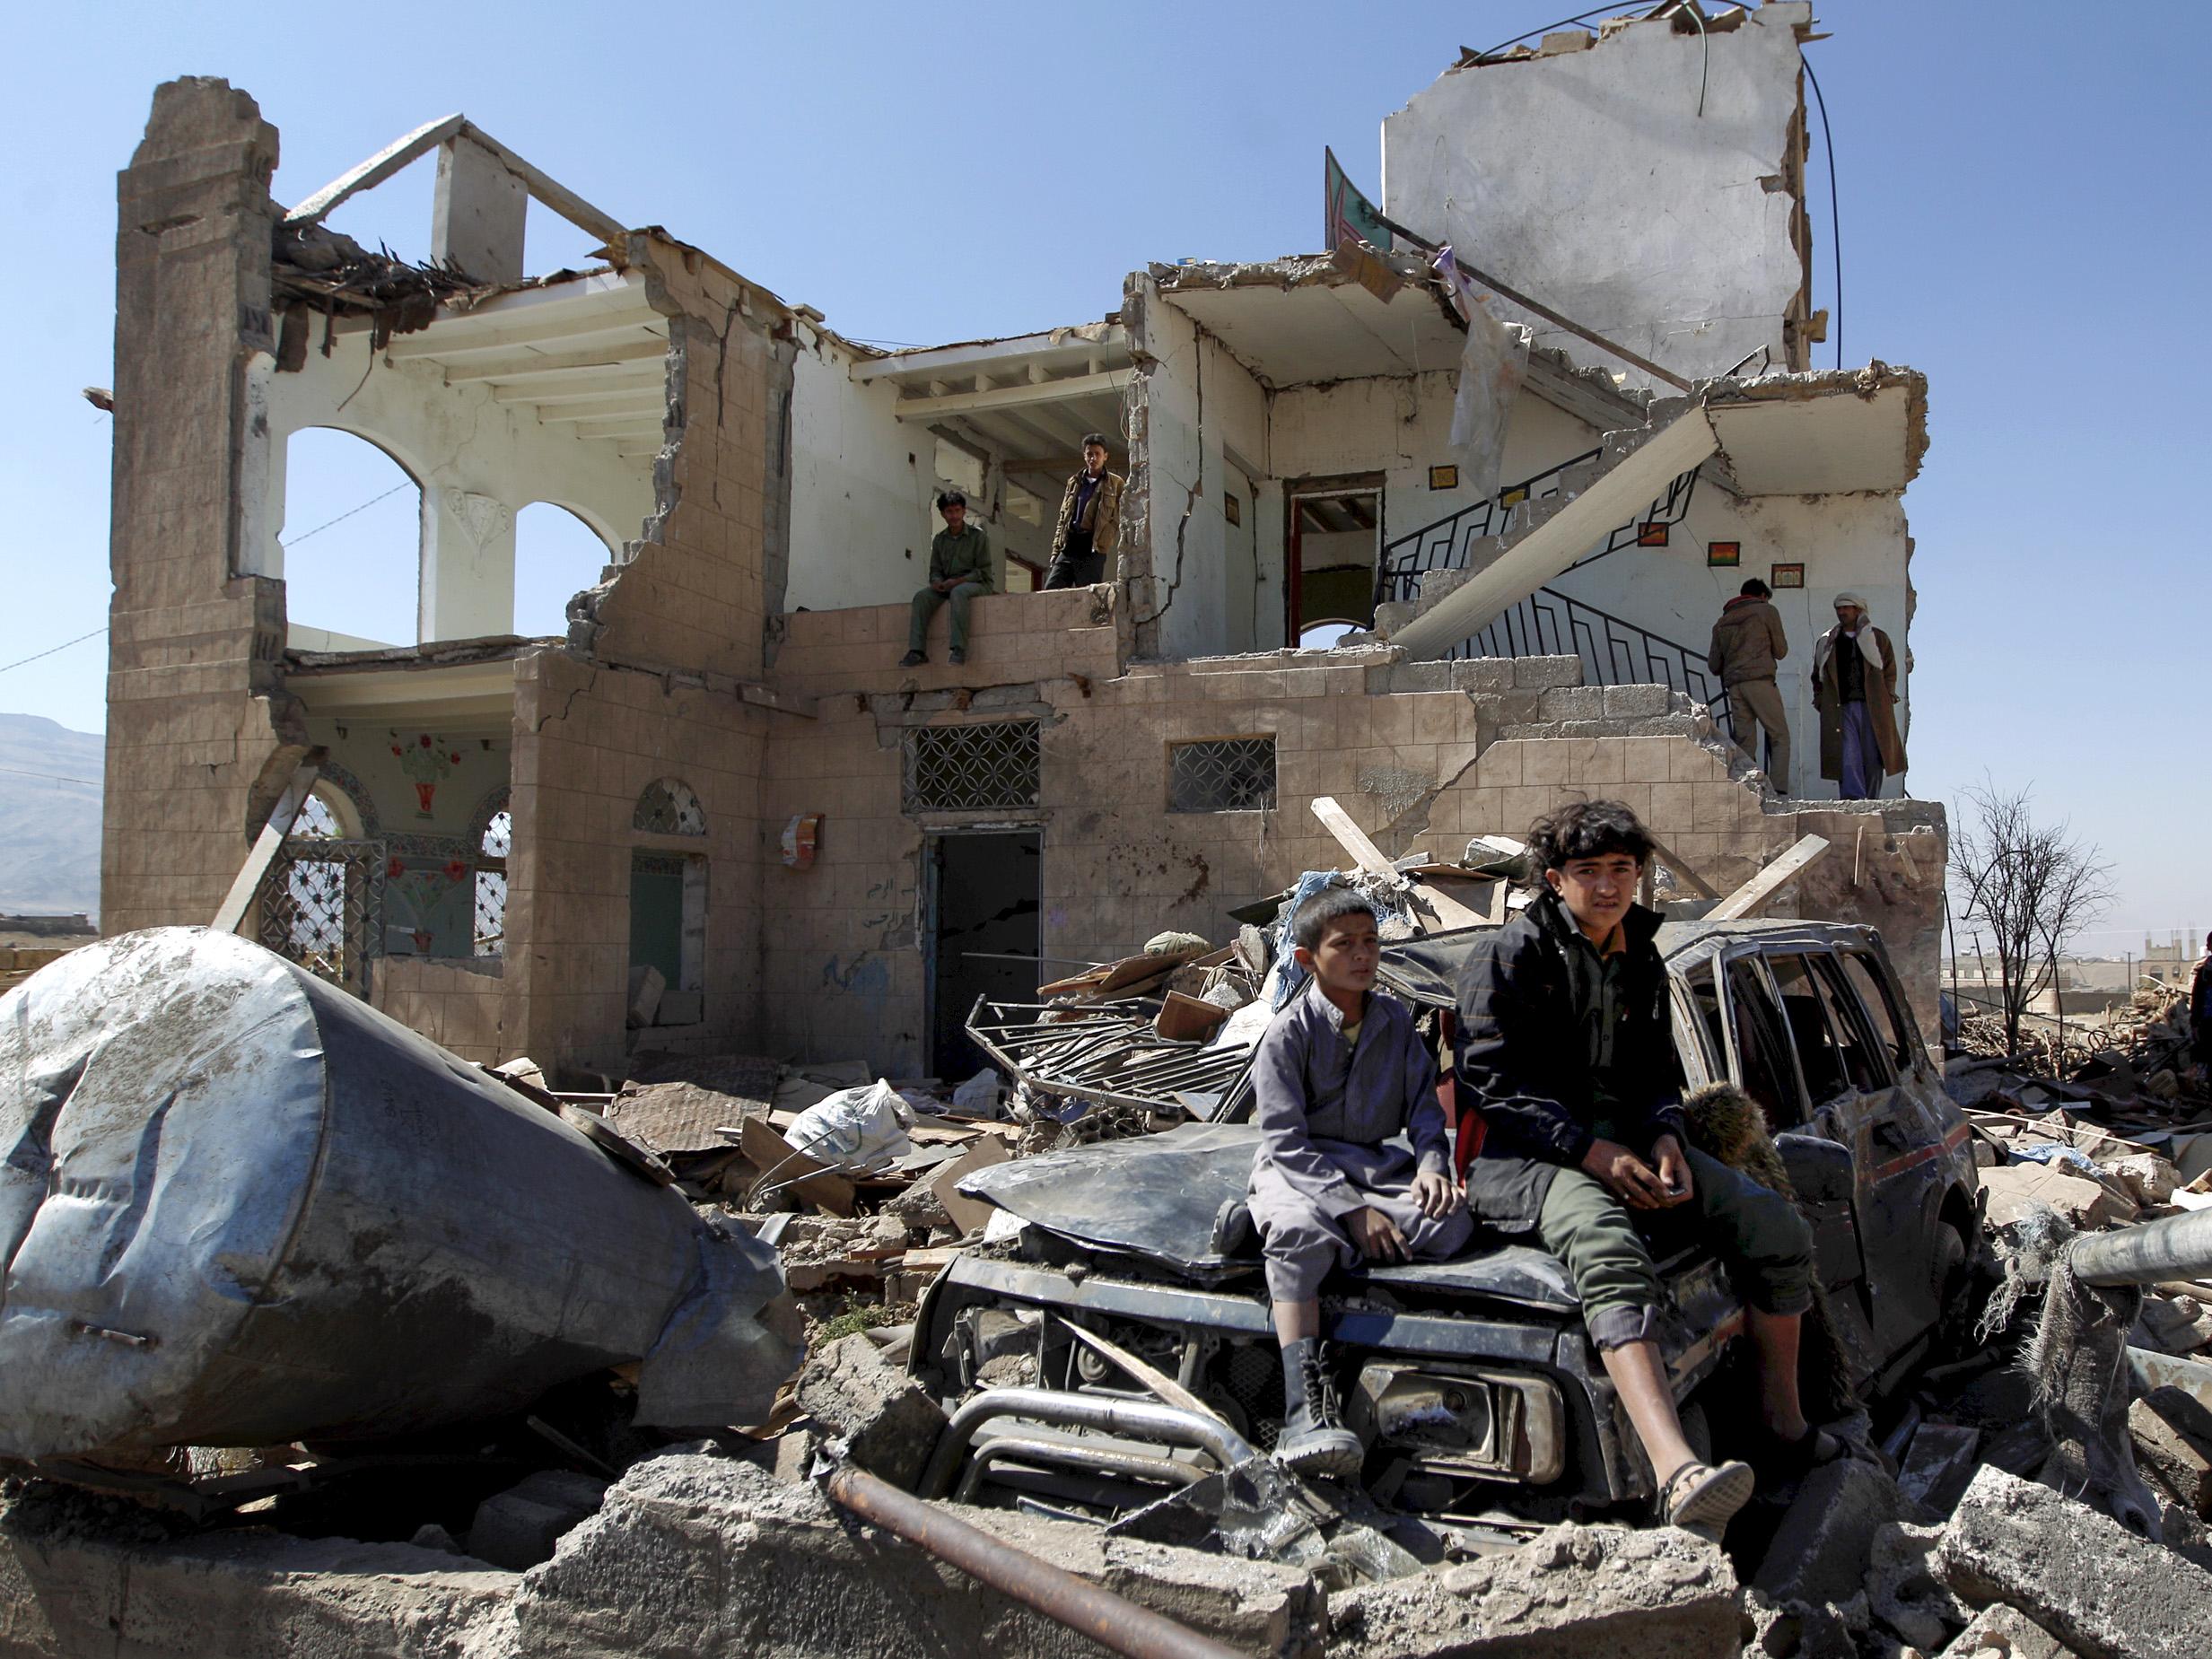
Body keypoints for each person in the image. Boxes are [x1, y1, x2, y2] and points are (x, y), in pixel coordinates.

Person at [1454, 800, 1828, 1532]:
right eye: (1586, 872)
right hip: (1528, 1156)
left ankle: (1781, 1426)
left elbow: (1657, 1071)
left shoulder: (1641, 953)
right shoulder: (1510, 954)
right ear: (1554, 879)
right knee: (1606, 1250)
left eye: (1620, 870)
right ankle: (1676, 1469)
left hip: (1627, 1143)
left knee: (1774, 1226)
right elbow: (1488, 1083)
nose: (1605, 886)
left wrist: (1661, 1135)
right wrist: (1588, 1151)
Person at [1245, 886, 1473, 1475]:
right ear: (1306, 960)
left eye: (1370, 942)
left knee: (1449, 1223)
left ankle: (1304, 1244)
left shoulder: (1394, 1020)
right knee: (1300, 1234)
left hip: (1372, 1165)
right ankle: (1303, 1408)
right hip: (1295, 1169)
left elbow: (1425, 1107)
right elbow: (1284, 1141)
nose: (1362, 955)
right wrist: (1350, 1211)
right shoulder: (1286, 1035)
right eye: (1343, 944)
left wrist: (1430, 1166)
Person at [1812, 592, 1904, 799]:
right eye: (1839, 608)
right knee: (1848, 756)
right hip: (1841, 706)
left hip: (1873, 707)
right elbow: (1817, 674)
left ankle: (1870, 800)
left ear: (1858, 610)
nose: (1842, 612)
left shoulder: (1877, 638)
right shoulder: (1828, 641)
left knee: (1873, 756)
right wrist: (1820, 699)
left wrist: (1888, 695)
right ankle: (1853, 799)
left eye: (1846, 608)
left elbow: (1889, 670)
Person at [1707, 577, 1792, 794]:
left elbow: (1714, 665)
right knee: (1779, 736)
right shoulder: (1766, 611)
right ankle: (1779, 790)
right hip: (1760, 681)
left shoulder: (1721, 622)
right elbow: (1781, 651)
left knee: (1745, 741)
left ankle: (1748, 789)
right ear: (1762, 596)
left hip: (1735, 685)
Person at [902, 491, 993, 667]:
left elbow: (982, 571)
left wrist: (958, 582)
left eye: (957, 511)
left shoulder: (978, 536)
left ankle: (959, 649)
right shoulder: (939, 540)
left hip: (976, 584)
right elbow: (935, 570)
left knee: (958, 593)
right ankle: (917, 651)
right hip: (948, 585)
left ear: (964, 511)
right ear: (943, 514)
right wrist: (937, 582)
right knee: (922, 597)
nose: (954, 516)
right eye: (949, 512)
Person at [1043, 433, 1123, 590]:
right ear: (1084, 456)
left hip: (1092, 547)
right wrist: (1055, 550)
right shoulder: (1074, 481)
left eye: (1097, 454)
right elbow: (1063, 518)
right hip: (1070, 544)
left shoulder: (1115, 483)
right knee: (1051, 590)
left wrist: (1109, 534)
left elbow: (1123, 514)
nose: (1093, 458)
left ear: (1105, 456)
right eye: (1089, 454)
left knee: (1088, 596)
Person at [2193, 932, 2212, 1076]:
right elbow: (2197, 996)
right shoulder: (2204, 970)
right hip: (2207, 1018)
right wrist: (2194, 1020)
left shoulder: (2205, 969)